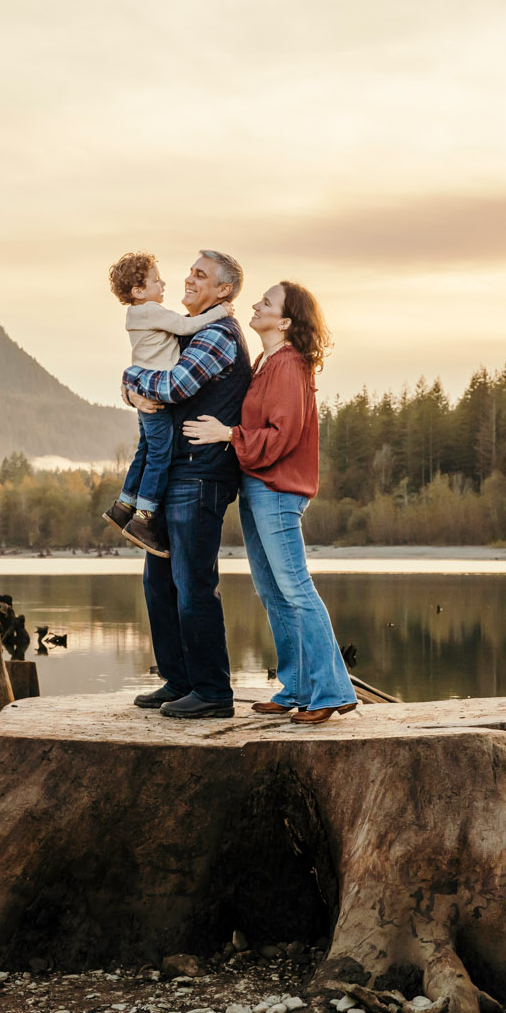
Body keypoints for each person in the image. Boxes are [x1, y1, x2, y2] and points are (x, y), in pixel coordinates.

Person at [182, 281, 356, 725]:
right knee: (273, 590)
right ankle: (296, 685)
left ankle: (332, 691)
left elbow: (284, 435)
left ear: (286, 321)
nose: (256, 305)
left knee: (296, 589)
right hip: (259, 485)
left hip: (278, 489)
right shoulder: (267, 362)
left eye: (267, 302)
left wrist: (228, 435)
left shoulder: (290, 365)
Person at [120, 250, 251, 720]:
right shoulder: (182, 334)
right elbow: (152, 380)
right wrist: (133, 386)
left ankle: (214, 691)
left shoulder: (217, 334)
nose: (189, 278)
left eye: (201, 274)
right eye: (191, 271)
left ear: (224, 291)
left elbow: (172, 388)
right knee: (159, 582)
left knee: (193, 583)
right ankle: (179, 682)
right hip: (176, 472)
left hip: (202, 474)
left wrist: (133, 383)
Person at [103, 251, 230, 557]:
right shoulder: (149, 310)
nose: (164, 284)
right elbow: (187, 328)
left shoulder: (139, 314)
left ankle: (123, 506)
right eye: (156, 280)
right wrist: (221, 312)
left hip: (147, 392)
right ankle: (143, 519)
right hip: (158, 398)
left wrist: (130, 386)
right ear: (138, 291)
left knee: (146, 450)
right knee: (159, 454)